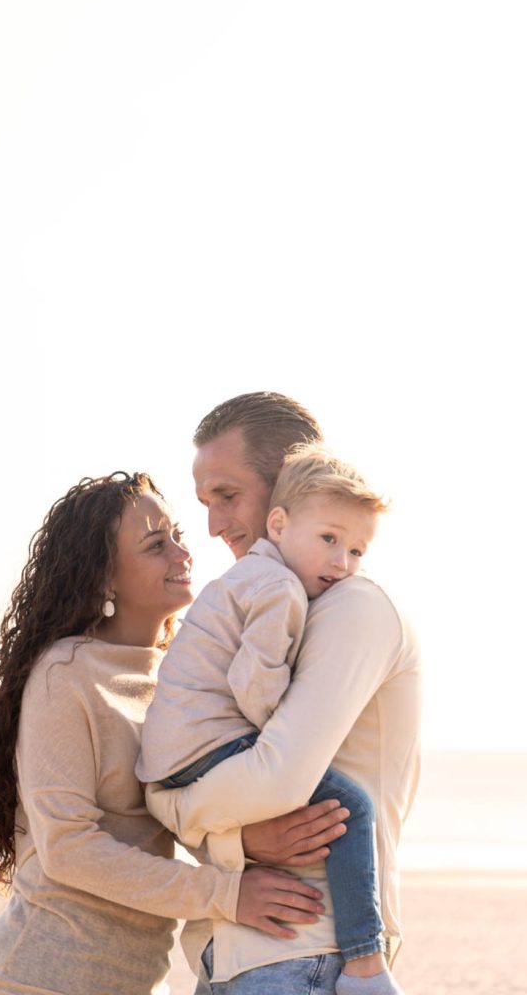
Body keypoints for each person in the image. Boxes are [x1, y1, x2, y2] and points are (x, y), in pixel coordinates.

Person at [0, 471, 336, 995]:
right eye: (157, 545)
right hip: (37, 980)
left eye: (176, 535)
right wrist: (227, 893)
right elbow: (69, 848)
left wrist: (240, 839)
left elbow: (178, 804)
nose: (183, 553)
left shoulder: (178, 673)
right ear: (103, 579)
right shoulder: (65, 673)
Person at [146, 393, 422, 995]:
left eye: (227, 495)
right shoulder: (267, 603)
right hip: (240, 951)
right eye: (206, 503)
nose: (214, 525)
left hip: (312, 952)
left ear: (287, 487)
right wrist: (232, 837)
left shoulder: (354, 607)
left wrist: (181, 810)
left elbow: (275, 781)